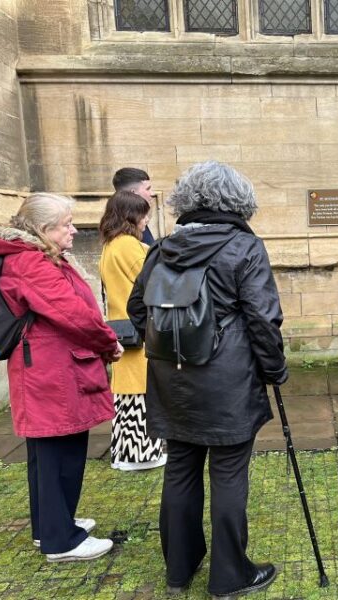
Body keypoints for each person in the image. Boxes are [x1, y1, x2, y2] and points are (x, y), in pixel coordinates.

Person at [127, 161, 286, 598]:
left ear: (188, 201)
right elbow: (263, 319)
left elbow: (138, 310)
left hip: (170, 380)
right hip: (227, 382)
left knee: (180, 468)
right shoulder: (244, 247)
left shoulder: (160, 249)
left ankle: (179, 568)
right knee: (229, 473)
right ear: (238, 201)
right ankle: (230, 575)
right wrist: (275, 370)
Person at [0, 193, 122, 562]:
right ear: (42, 229)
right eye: (65, 224)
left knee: (48, 454)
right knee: (59, 454)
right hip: (52, 371)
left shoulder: (30, 258)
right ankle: (61, 540)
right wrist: (107, 343)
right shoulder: (31, 263)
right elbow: (73, 314)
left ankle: (50, 525)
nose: (73, 230)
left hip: (48, 368)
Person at [98, 191, 166, 471]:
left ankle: (126, 452)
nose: (146, 220)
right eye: (143, 214)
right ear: (131, 216)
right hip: (138, 325)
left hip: (121, 325)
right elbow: (154, 279)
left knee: (128, 392)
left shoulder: (111, 245)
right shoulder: (128, 245)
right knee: (140, 391)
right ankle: (141, 454)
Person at [113, 167, 155, 245]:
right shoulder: (127, 230)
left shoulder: (130, 221)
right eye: (148, 189)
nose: (152, 193)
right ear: (133, 193)